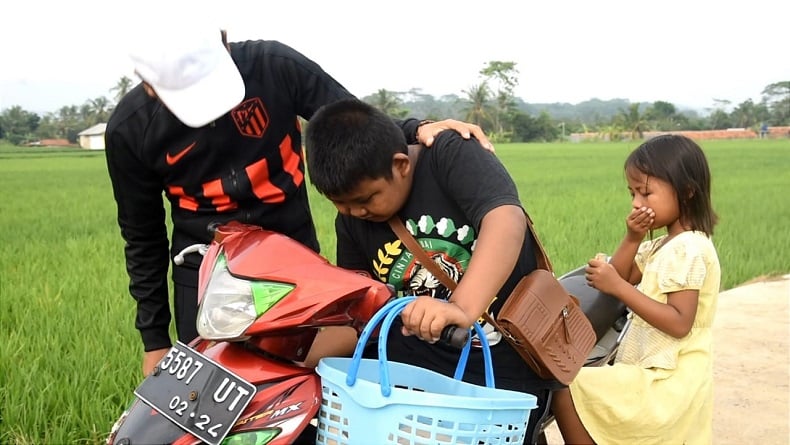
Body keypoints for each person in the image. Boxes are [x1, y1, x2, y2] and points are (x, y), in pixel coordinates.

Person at [104, 20, 492, 377]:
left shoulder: (273, 66)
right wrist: (154, 340)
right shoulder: (130, 130)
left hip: (295, 263)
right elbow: (143, 239)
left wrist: (419, 128)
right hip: (206, 275)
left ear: (223, 41)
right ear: (150, 85)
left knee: (303, 381)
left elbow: (351, 122)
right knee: (210, 389)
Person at [303, 98, 560, 444]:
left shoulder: (449, 155)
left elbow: (505, 219)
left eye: (366, 199)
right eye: (341, 204)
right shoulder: (350, 221)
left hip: (498, 370)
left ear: (400, 165)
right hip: (415, 378)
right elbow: (363, 310)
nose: (355, 212)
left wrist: (461, 308)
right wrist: (299, 353)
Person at [550, 134, 721, 444]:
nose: (636, 203)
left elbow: (679, 322)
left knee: (567, 386)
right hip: (651, 369)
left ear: (687, 191)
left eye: (645, 193)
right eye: (632, 194)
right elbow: (623, 273)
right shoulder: (662, 245)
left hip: (669, 379)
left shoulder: (690, 248)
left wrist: (616, 286)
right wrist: (632, 238)